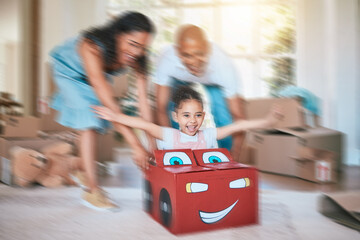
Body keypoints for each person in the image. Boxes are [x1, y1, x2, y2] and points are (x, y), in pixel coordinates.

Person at [50, 11, 155, 211]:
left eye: (143, 47)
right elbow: (111, 107)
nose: (137, 52)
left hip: (93, 76)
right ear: (117, 34)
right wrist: (135, 145)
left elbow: (144, 104)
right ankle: (92, 191)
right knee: (90, 121)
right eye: (132, 44)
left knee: (95, 123)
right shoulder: (91, 47)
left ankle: (81, 167)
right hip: (69, 73)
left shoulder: (138, 57)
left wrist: (151, 145)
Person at [153, 24, 245, 160]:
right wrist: (170, 152)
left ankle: (225, 157)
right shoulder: (167, 60)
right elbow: (160, 108)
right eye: (187, 55)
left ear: (207, 48)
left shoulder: (223, 66)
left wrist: (235, 155)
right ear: (178, 52)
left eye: (199, 54)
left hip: (213, 80)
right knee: (174, 111)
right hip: (179, 79)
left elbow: (238, 118)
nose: (194, 61)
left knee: (224, 118)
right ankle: (182, 151)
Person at [92, 86, 282, 150]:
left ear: (203, 116)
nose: (193, 120)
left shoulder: (207, 135)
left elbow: (237, 126)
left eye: (198, 115)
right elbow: (145, 125)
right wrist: (116, 116)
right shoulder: (169, 135)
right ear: (175, 117)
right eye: (186, 115)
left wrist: (268, 122)